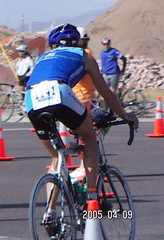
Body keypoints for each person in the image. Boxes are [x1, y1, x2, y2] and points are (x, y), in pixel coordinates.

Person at [25, 24, 138, 208]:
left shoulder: (42, 57)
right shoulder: (84, 55)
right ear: (76, 42)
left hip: (31, 98)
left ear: (52, 45)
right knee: (89, 137)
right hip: (59, 92)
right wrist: (125, 114)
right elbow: (107, 94)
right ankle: (92, 199)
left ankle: (50, 214)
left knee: (57, 157)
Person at [70, 27, 96, 179]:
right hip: (81, 97)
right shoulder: (85, 54)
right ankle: (85, 165)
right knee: (80, 134)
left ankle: (84, 166)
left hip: (83, 98)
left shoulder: (84, 55)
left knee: (83, 134)